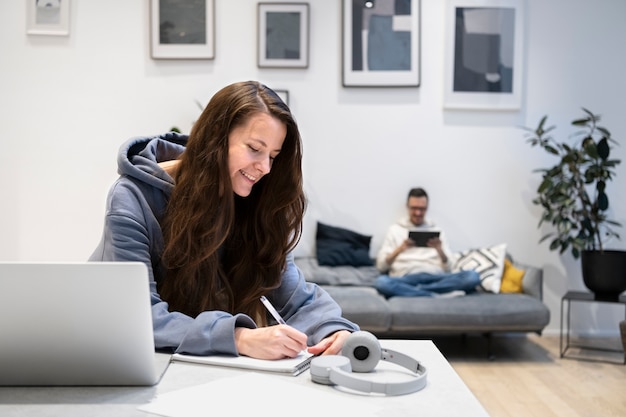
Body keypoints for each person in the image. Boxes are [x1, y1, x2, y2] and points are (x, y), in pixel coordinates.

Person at [90, 81, 359, 360]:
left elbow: (292, 294)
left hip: (192, 363)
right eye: (255, 148)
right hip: (114, 356)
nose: (265, 168)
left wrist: (331, 329)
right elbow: (139, 314)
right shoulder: (132, 197)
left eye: (273, 156)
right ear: (215, 138)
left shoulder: (255, 202)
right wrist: (238, 337)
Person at [375, 187, 480, 297]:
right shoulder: (395, 230)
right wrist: (400, 249)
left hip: (435, 277)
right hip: (406, 277)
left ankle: (416, 291)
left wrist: (440, 250)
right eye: (414, 208)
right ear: (407, 207)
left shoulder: (436, 231)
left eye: (422, 209)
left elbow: (449, 268)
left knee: (472, 277)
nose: (418, 213)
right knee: (381, 282)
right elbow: (381, 266)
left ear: (427, 208)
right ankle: (435, 294)